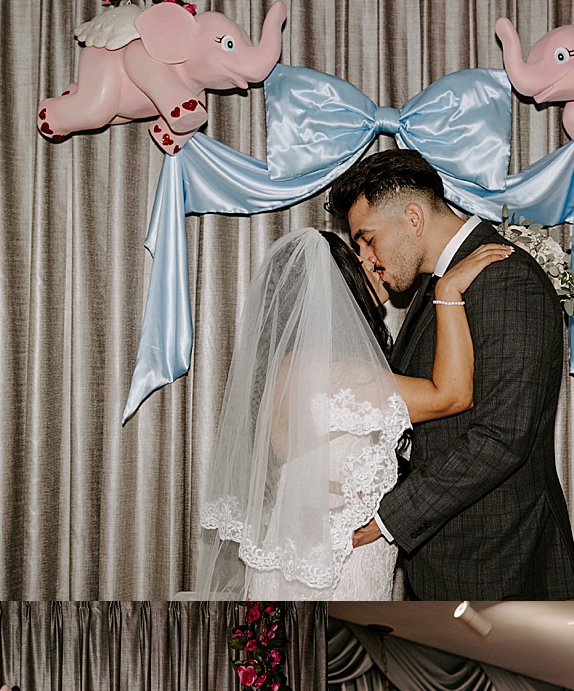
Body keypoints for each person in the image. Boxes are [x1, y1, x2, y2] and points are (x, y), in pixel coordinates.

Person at [190, 222, 512, 598]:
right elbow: (452, 396)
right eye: (359, 262)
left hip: (293, 546)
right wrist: (448, 290)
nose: (373, 263)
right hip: (341, 559)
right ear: (337, 288)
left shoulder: (283, 369)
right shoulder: (338, 373)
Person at [328, 148, 574, 601]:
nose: (366, 259)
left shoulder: (506, 281)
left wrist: (389, 518)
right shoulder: (441, 285)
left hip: (500, 563)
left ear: (413, 218)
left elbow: (504, 435)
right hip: (445, 561)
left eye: (367, 239)